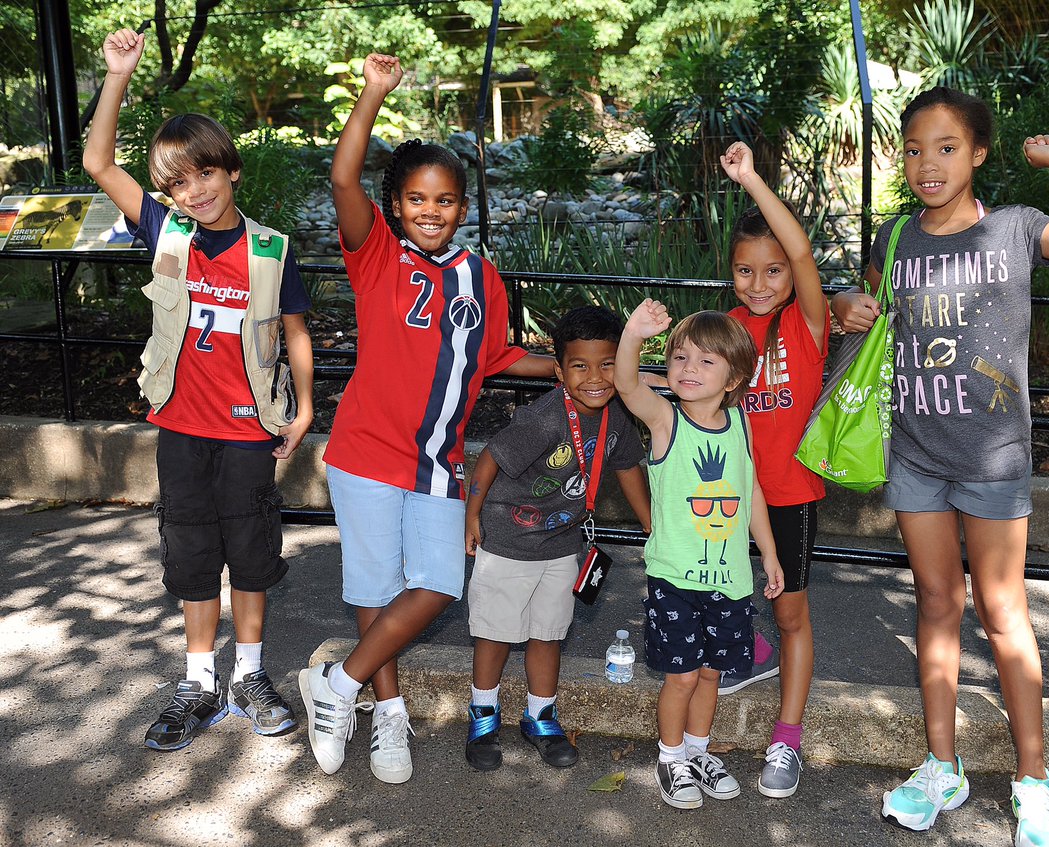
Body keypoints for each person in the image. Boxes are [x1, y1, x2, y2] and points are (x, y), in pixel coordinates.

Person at [831, 87, 1049, 845]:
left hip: (992, 458)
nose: (927, 163)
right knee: (936, 604)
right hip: (916, 454)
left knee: (1003, 616)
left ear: (978, 153)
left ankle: (1034, 781)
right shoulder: (894, 236)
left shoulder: (1015, 230)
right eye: (913, 148)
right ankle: (943, 765)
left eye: (945, 147)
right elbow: (864, 315)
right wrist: (846, 302)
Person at [297, 52, 556, 784]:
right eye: (417, 199)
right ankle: (387, 718)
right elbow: (343, 178)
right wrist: (373, 92)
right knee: (377, 591)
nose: (431, 211)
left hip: (438, 461)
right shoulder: (375, 254)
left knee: (440, 583)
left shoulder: (483, 275)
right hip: (368, 451)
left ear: (462, 207)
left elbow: (498, 356)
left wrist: (569, 367)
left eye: (445, 200)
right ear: (397, 204)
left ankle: (338, 684)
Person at [83, 29, 314, 750]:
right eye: (179, 182)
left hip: (250, 431)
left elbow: (297, 334)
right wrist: (117, 74)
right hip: (182, 430)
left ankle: (248, 674)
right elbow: (96, 161)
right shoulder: (165, 230)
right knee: (190, 559)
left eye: (205, 173)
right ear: (167, 193)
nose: (196, 191)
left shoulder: (270, 248)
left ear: (231, 170)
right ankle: (198, 682)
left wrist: (304, 409)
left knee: (249, 556)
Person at [463, 305, 652, 772]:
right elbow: (489, 458)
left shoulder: (618, 420)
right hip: (508, 540)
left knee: (547, 634)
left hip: (563, 545)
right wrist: (471, 512)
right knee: (495, 635)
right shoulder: (546, 417)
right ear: (559, 369)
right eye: (580, 366)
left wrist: (654, 529)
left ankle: (539, 716)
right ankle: (483, 715)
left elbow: (628, 470)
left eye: (607, 364)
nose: (595, 377)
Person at [615, 301, 784, 809]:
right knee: (682, 674)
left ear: (734, 377)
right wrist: (634, 334)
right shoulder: (666, 420)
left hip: (729, 579)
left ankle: (698, 751)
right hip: (675, 579)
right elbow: (626, 385)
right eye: (681, 358)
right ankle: (671, 759)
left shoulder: (740, 425)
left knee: (712, 672)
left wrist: (769, 554)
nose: (689, 369)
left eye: (706, 361)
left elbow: (750, 491)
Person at [718, 141, 830, 798]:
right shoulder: (726, 328)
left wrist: (753, 181)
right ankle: (751, 653)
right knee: (722, 597)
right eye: (744, 271)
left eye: (772, 271)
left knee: (791, 615)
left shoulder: (807, 324)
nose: (758, 284)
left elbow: (806, 253)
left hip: (788, 496)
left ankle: (787, 739)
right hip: (730, 498)